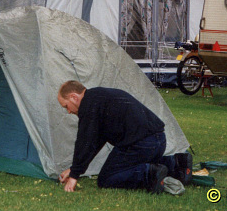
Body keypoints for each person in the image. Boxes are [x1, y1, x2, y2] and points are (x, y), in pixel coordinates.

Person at [57, 80, 192, 193]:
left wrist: (74, 176)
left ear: (74, 97)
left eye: (66, 106)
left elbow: (85, 141)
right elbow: (94, 142)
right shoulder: (98, 97)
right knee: (123, 166)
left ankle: (149, 174)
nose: (68, 111)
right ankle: (177, 163)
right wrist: (74, 169)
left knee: (107, 178)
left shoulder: (89, 105)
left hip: (141, 144)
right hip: (158, 141)